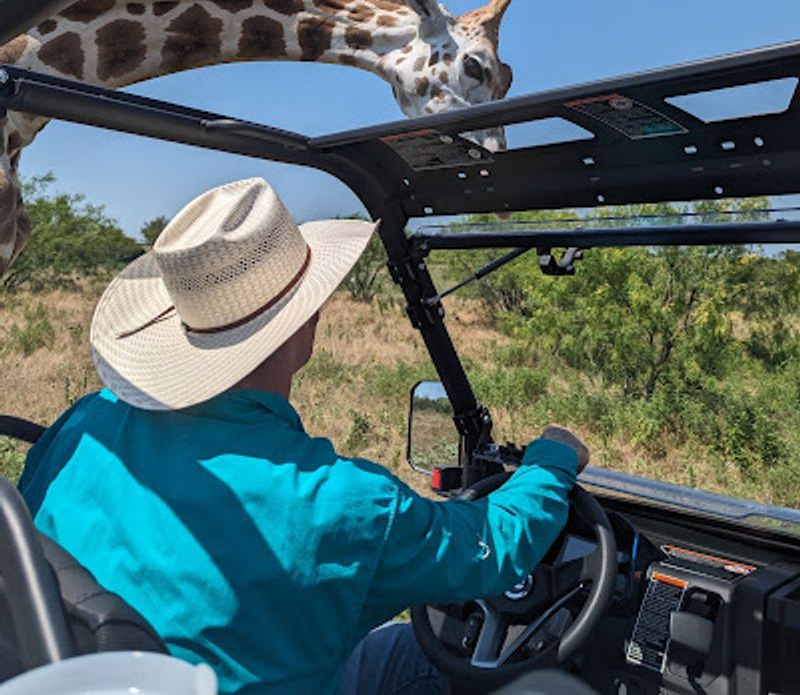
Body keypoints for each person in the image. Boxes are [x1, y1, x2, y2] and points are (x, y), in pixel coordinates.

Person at [19, 177, 589, 695]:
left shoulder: (85, 424)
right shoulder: (343, 505)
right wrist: (551, 463)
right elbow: (493, 548)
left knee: (401, 649)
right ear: (307, 321)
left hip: (87, 676)